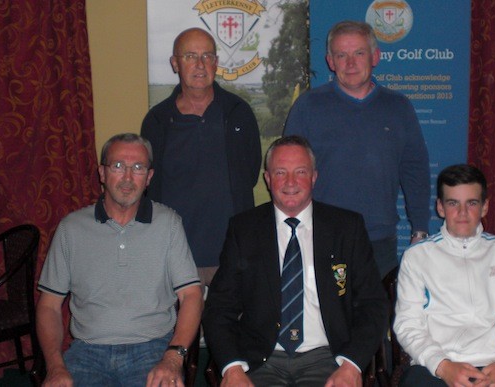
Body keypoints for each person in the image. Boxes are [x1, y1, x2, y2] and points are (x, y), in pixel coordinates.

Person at [202, 135, 388, 387]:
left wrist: (352, 365)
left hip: (329, 359)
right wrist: (232, 368)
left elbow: (372, 305)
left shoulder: (346, 228)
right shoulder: (244, 229)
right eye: (280, 172)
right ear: (268, 179)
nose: (290, 182)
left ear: (314, 177)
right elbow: (219, 308)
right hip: (260, 361)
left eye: (300, 172)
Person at [36, 133, 203, 387]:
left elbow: (191, 295)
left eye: (138, 168)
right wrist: (55, 366)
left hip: (152, 348)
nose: (127, 177)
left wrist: (173, 356)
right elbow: (49, 306)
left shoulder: (168, 224)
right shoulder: (71, 228)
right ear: (102, 173)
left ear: (148, 178)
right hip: (87, 352)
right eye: (117, 166)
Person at [284, 20, 430, 277]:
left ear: (375, 57)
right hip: (321, 237)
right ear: (330, 61)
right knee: (324, 316)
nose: (350, 63)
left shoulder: (398, 108)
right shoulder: (308, 107)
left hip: (379, 240)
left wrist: (420, 229)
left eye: (359, 53)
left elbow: (414, 170)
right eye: (342, 55)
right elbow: (287, 173)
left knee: (376, 316)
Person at [394, 164, 495, 387]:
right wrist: (442, 365)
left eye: (472, 203)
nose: (462, 213)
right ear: (440, 207)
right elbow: (407, 324)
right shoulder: (417, 257)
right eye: (453, 203)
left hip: (494, 362)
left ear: (485, 207)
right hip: (436, 365)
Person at [140, 27, 261, 287]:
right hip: (175, 257)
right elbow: (150, 186)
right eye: (190, 56)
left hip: (232, 256)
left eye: (207, 56)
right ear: (175, 63)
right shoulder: (157, 121)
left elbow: (250, 173)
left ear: (216, 63)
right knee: (181, 329)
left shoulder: (238, 113)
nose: (200, 64)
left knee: (228, 328)